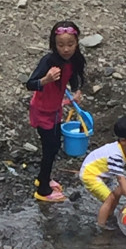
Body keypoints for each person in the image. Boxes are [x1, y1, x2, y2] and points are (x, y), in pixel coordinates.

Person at [26, 20, 86, 202]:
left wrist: (76, 92)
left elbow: (74, 77)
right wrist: (46, 79)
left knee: (53, 146)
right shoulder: (49, 61)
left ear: (76, 43)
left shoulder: (75, 60)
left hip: (55, 109)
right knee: (50, 148)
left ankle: (42, 178)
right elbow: (30, 84)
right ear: (54, 44)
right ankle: (43, 190)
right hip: (42, 110)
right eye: (61, 45)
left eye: (70, 44)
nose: (66, 49)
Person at [79, 114, 126, 228]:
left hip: (100, 172)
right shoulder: (115, 155)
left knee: (120, 190)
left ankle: (109, 214)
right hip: (90, 174)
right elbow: (120, 178)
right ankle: (101, 226)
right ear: (123, 140)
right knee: (110, 198)